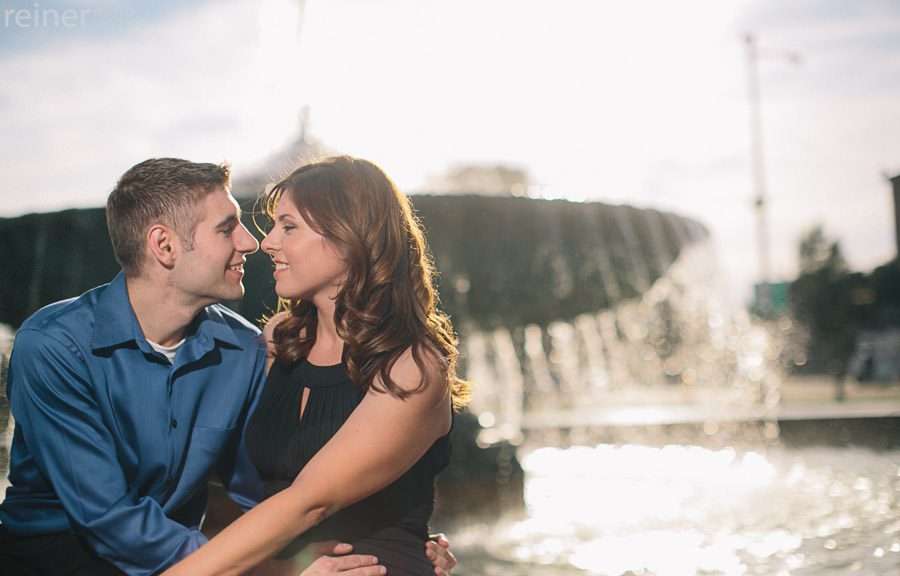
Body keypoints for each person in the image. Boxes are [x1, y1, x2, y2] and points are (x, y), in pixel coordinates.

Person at [0, 158, 455, 576]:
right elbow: (106, 517)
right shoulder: (56, 345)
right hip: (51, 560)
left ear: (348, 236)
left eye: (286, 226)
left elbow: (269, 486)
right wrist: (277, 569)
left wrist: (401, 530)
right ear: (164, 245)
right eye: (227, 228)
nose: (255, 242)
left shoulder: (246, 347)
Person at [161, 156, 470, 576]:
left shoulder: (411, 367)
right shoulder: (280, 340)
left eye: (288, 226)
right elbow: (215, 463)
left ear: (349, 237)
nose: (267, 243)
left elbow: (310, 501)